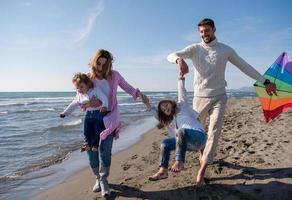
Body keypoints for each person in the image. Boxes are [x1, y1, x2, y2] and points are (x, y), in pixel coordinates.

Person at [167, 18, 277, 186]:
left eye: (207, 31)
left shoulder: (225, 50)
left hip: (219, 96)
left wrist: (265, 82)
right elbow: (170, 55)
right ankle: (201, 156)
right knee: (198, 132)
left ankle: (202, 171)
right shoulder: (195, 49)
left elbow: (244, 66)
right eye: (202, 32)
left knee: (214, 133)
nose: (204, 34)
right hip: (200, 98)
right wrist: (179, 60)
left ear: (214, 30)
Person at [80, 49, 143, 197]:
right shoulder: (88, 77)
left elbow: (128, 87)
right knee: (91, 151)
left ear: (109, 63)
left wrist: (138, 93)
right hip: (91, 118)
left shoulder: (114, 75)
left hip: (109, 118)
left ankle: (103, 179)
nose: (101, 67)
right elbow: (80, 95)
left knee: (105, 150)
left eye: (105, 63)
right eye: (99, 63)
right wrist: (89, 103)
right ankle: (97, 177)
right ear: (95, 61)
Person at [140, 72, 207, 181]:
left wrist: (181, 76)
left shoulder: (182, 105)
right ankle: (163, 171)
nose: (165, 108)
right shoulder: (169, 121)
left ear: (171, 103)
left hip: (199, 137)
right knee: (165, 143)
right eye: (163, 110)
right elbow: (153, 111)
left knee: (181, 131)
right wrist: (146, 103)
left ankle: (179, 161)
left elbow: (181, 90)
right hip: (185, 145)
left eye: (166, 105)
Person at [60, 73, 108, 152]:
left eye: (81, 87)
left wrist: (105, 106)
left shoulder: (95, 90)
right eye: (77, 88)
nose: (79, 89)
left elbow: (104, 97)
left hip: (98, 113)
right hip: (88, 114)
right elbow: (74, 103)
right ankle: (87, 144)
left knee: (97, 129)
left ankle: (95, 145)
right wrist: (65, 113)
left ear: (87, 84)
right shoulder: (79, 94)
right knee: (86, 130)